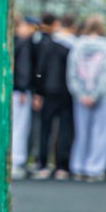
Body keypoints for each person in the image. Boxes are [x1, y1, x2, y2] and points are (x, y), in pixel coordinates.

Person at [67, 14, 106, 181]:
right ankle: (95, 167)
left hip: (80, 97)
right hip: (103, 97)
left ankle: (78, 165)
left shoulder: (77, 45)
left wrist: (81, 94)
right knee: (101, 132)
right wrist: (95, 94)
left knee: (81, 132)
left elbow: (72, 73)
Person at [31, 13, 75, 179]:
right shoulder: (71, 45)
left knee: (45, 129)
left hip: (48, 91)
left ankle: (42, 163)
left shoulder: (46, 45)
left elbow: (40, 70)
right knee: (64, 129)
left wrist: (38, 92)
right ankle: (61, 165)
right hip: (65, 91)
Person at [11, 14, 39, 179]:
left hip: (9, 89)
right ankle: (17, 160)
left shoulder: (7, 41)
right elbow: (24, 67)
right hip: (19, 91)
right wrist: (23, 88)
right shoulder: (23, 43)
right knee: (20, 127)